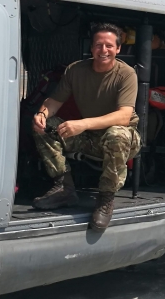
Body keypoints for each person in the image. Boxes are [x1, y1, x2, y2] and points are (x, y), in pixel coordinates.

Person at [31, 22, 140, 230]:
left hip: (121, 139)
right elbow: (54, 101)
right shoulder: (75, 70)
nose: (103, 50)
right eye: (98, 45)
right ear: (91, 48)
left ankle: (106, 199)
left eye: (109, 46)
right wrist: (42, 114)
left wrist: (83, 123)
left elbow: (124, 116)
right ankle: (64, 188)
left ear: (118, 49)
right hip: (88, 137)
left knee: (117, 135)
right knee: (47, 126)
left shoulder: (126, 74)